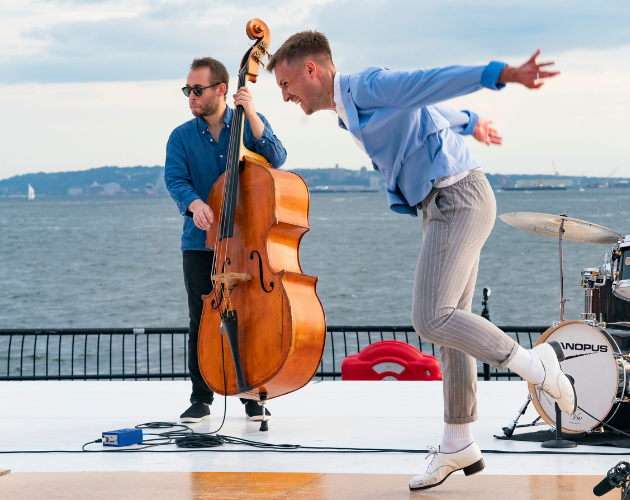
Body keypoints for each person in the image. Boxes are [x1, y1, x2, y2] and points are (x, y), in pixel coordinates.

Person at [265, 31, 576, 490]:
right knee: (454, 330)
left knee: (432, 317)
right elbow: (425, 109)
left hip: (457, 198)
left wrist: (502, 75)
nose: (285, 95)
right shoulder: (348, 109)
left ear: (312, 70)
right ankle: (457, 441)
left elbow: (425, 84)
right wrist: (470, 123)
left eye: (286, 84)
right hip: (442, 202)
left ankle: (537, 366)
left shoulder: (365, 87)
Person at [165, 57, 287, 424]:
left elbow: (278, 158)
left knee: (251, 317)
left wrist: (251, 114)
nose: (191, 96)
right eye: (188, 90)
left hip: (248, 244)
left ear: (221, 89)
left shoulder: (247, 126)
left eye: (197, 89)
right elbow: (175, 180)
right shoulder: (181, 137)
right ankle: (201, 397)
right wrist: (195, 203)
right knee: (201, 318)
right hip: (201, 242)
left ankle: (252, 395)